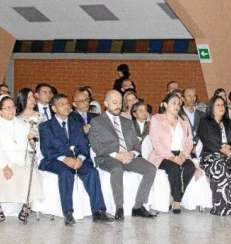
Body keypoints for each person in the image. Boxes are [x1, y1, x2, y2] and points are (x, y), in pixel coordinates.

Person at [39, 94, 113, 225]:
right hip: (56, 161)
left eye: (67, 104)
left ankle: (98, 211)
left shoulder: (76, 124)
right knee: (66, 173)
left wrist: (80, 158)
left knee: (92, 172)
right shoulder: (46, 126)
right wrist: (64, 159)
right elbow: (46, 150)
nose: (67, 106)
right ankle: (68, 213)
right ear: (54, 108)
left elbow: (84, 145)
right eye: (63, 104)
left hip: (76, 159)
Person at [89, 90, 157, 220]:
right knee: (117, 169)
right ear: (105, 103)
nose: (118, 105)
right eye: (114, 103)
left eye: (120, 103)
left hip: (128, 156)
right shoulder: (97, 122)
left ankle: (138, 206)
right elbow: (97, 146)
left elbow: (137, 145)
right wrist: (117, 155)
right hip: (108, 157)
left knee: (150, 169)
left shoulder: (127, 122)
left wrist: (132, 153)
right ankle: (119, 207)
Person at [148, 92, 196, 214]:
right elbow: (156, 142)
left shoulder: (184, 120)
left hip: (180, 153)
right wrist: (171, 157)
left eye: (179, 104)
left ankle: (174, 197)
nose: (177, 106)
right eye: (173, 103)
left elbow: (189, 141)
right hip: (162, 154)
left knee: (189, 167)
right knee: (174, 168)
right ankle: (177, 201)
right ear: (165, 104)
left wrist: (184, 155)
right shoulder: (156, 119)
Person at [0, 95, 43, 223]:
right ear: (0, 110)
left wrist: (31, 142)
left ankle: (26, 208)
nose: (11, 110)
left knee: (32, 175)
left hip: (20, 160)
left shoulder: (22, 124)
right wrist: (4, 166)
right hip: (2, 161)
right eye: (7, 108)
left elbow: (29, 149)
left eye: (12, 107)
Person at [181, 87, 205, 156]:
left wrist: (197, 147)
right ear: (182, 99)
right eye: (189, 96)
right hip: (184, 150)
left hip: (201, 148)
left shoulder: (202, 115)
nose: (192, 98)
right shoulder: (178, 115)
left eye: (194, 95)